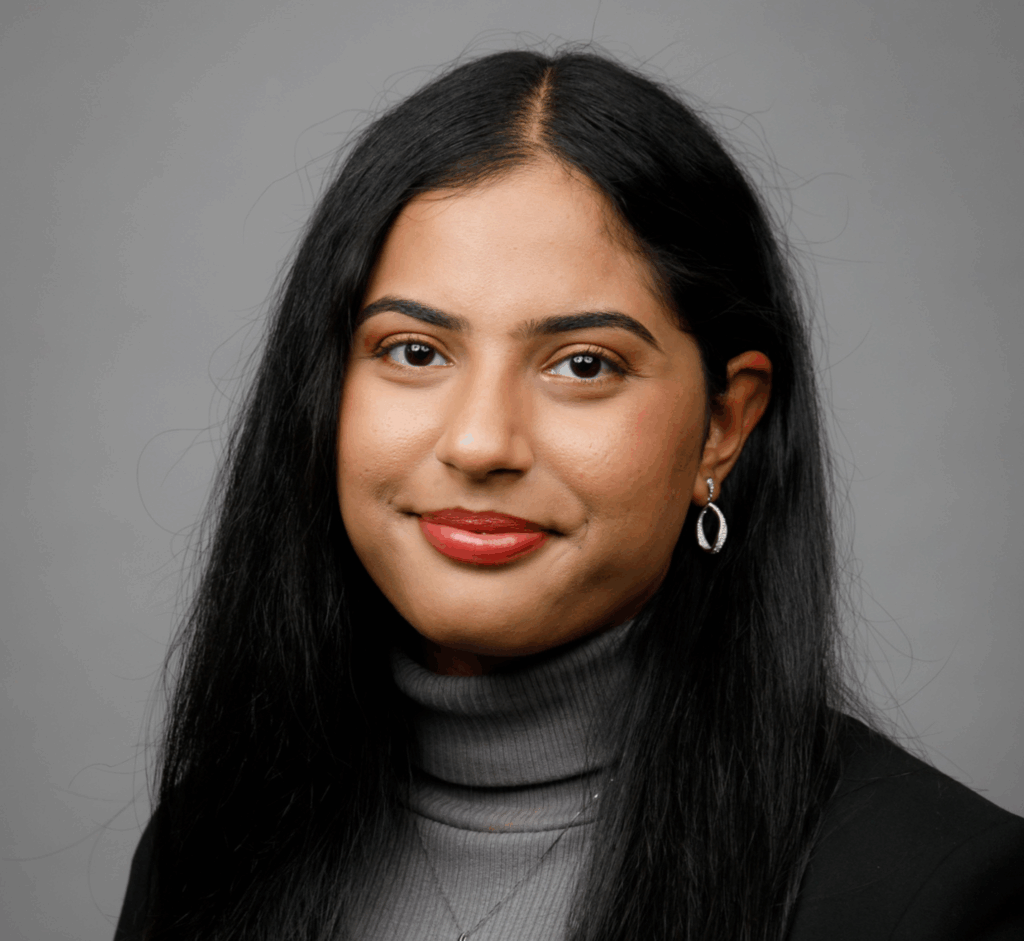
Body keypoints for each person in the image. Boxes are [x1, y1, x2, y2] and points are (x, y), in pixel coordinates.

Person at [114, 48, 1024, 941]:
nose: (479, 442)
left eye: (584, 364)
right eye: (415, 351)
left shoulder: (935, 894)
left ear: (725, 424)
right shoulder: (204, 849)